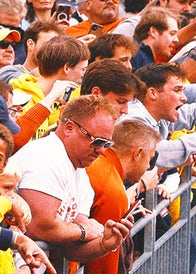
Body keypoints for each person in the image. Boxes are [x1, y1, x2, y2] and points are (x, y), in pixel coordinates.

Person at [10, 93, 131, 263]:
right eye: (97, 141)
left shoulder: (80, 173)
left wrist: (104, 244)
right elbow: (39, 227)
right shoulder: (47, 156)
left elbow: (71, 248)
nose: (102, 150)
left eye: (107, 144)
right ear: (69, 128)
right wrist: (83, 230)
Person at [79, 118, 159, 274]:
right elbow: (104, 258)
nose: (149, 166)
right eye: (150, 158)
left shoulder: (103, 170)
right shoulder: (111, 186)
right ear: (138, 153)